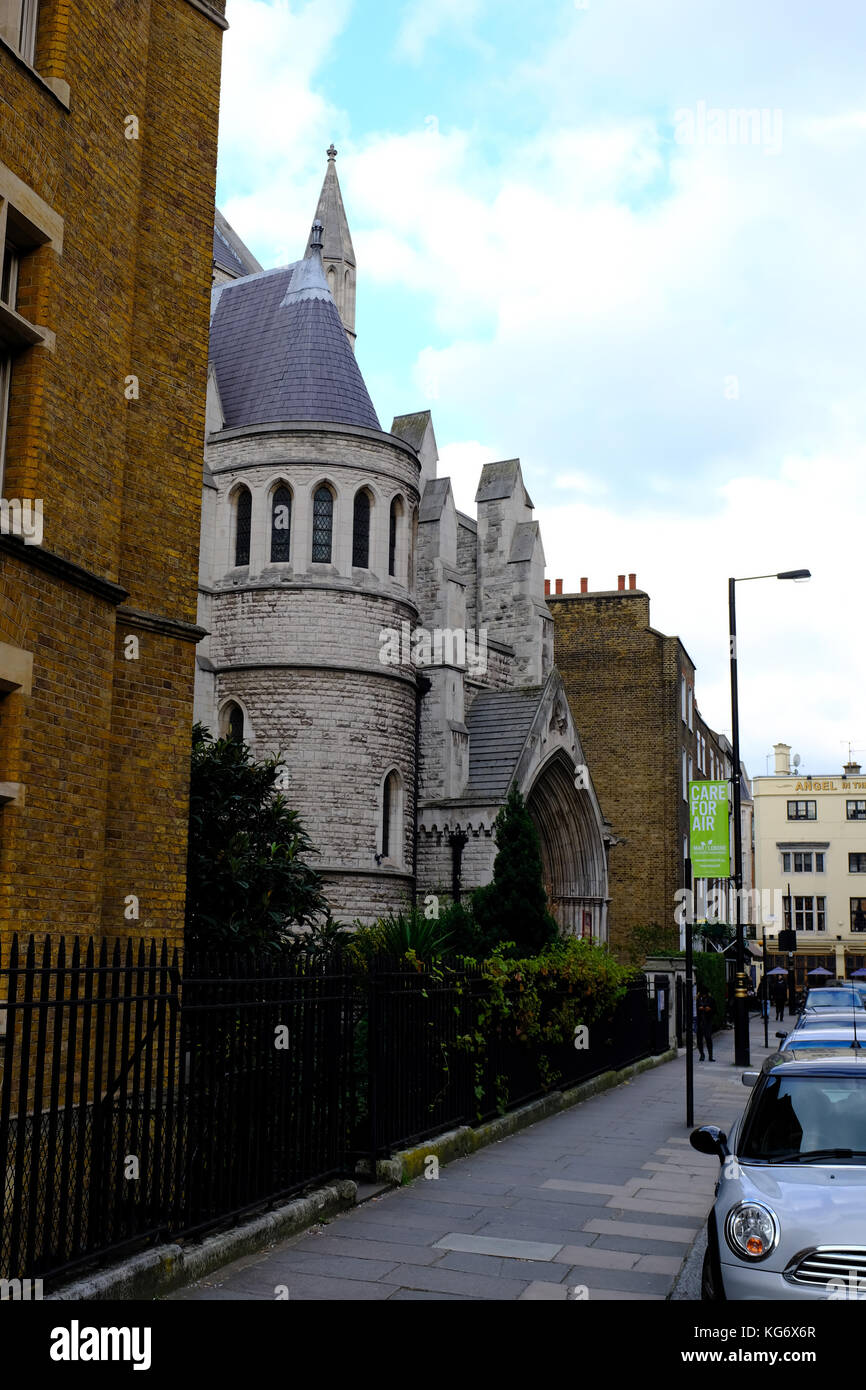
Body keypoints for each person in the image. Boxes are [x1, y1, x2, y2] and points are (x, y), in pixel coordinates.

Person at [696, 986, 716, 1061]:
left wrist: (709, 1009)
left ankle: (710, 1056)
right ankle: (702, 1054)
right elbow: (695, 1010)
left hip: (707, 1021)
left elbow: (714, 1009)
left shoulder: (711, 999)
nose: (703, 995)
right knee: (699, 1040)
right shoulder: (698, 1000)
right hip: (700, 1021)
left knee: (708, 1038)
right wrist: (699, 1009)